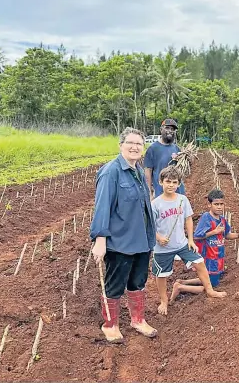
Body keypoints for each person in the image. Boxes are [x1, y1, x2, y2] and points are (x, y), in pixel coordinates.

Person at [90, 127, 157, 343]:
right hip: (120, 241)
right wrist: (100, 239)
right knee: (115, 283)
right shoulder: (111, 172)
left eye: (139, 144)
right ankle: (110, 324)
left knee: (138, 281)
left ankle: (138, 320)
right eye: (130, 143)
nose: (135, 147)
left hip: (141, 240)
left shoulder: (138, 170)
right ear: (121, 145)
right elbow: (102, 206)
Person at [151, 166, 227, 315]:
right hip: (162, 248)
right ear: (161, 182)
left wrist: (190, 240)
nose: (171, 185)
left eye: (174, 182)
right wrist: (158, 238)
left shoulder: (182, 200)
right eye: (168, 181)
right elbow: (149, 226)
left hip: (182, 244)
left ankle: (210, 290)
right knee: (161, 275)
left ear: (179, 184)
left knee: (199, 263)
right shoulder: (155, 204)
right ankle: (164, 301)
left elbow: (188, 220)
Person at [179, 189, 239, 292]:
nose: (219, 207)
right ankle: (181, 288)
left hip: (218, 256)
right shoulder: (206, 217)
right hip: (208, 257)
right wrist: (214, 232)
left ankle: (183, 282)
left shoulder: (222, 219)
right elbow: (197, 236)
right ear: (209, 205)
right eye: (216, 204)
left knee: (212, 280)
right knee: (212, 285)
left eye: (221, 204)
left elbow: (227, 234)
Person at [144, 118, 186, 199]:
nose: (170, 131)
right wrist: (149, 193)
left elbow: (183, 171)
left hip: (178, 193)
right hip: (161, 194)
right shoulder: (152, 149)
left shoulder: (177, 148)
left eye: (172, 129)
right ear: (161, 129)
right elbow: (147, 173)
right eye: (167, 128)